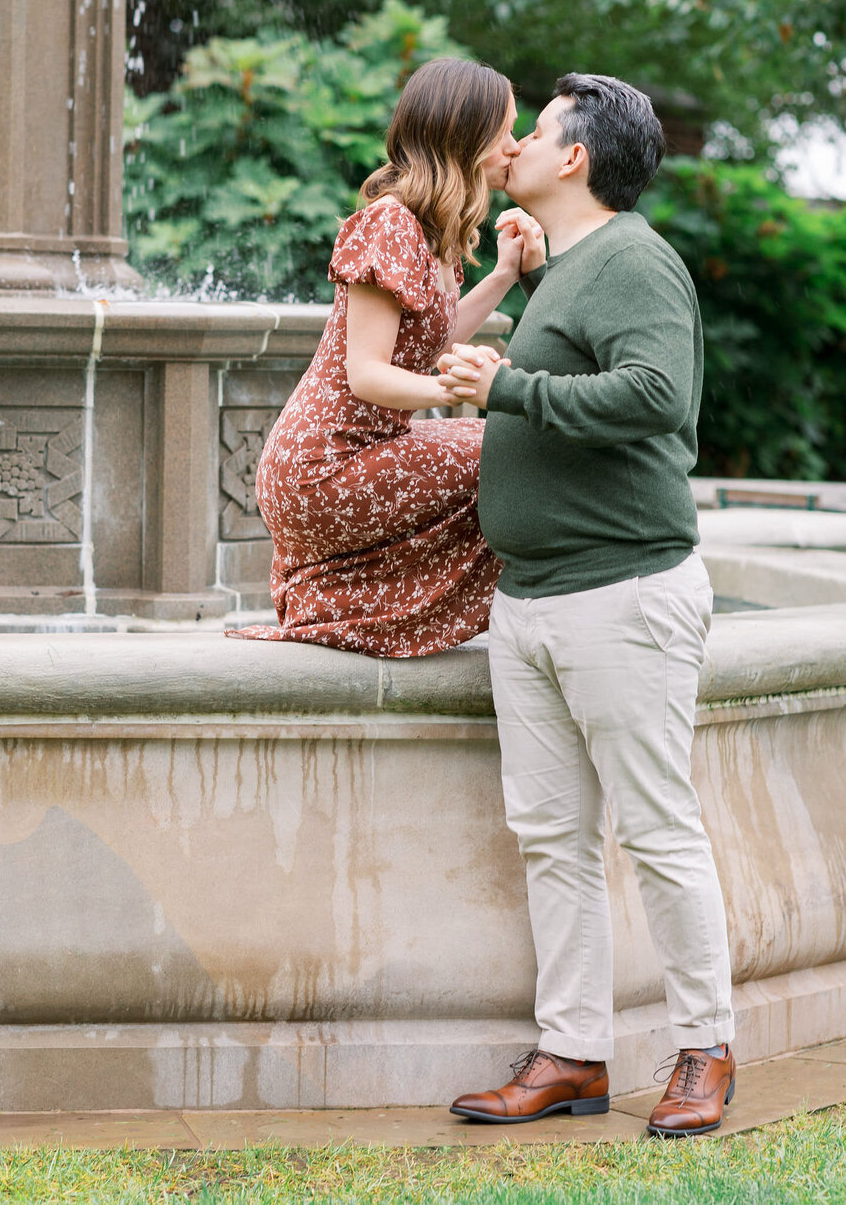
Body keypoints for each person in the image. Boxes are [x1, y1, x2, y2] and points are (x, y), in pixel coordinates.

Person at [438, 73, 736, 1138]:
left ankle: (705, 1047)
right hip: (532, 600)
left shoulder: (632, 260)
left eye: (535, 130)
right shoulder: (561, 268)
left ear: (576, 159)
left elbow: (661, 397)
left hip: (626, 593)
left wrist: (506, 387)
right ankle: (573, 1053)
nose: (511, 142)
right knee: (553, 837)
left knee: (656, 830)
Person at [230, 56, 524, 657]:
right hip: (324, 465)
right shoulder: (389, 222)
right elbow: (368, 375)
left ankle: (337, 605)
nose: (515, 148)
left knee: (516, 443)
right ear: (464, 134)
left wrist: (502, 278)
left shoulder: (428, 229)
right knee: (516, 443)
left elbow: (428, 342)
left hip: (365, 452)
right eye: (505, 133)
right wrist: (469, 388)